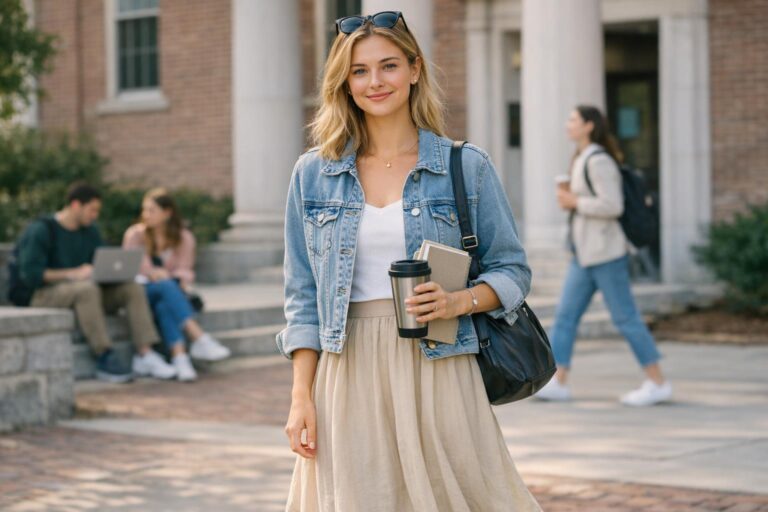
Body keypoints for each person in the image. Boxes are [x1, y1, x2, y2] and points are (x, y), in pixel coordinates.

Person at [277, 11, 541, 511]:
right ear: (345, 82)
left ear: (415, 69)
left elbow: (512, 271)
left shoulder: (464, 166)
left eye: (388, 66)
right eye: (359, 70)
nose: (374, 81)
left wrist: (458, 300)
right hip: (346, 368)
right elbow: (302, 297)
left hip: (440, 365)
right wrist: (300, 396)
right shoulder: (313, 174)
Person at [534, 105, 672, 406]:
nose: (567, 124)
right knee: (565, 318)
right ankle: (558, 381)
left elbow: (613, 206)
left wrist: (575, 201)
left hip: (606, 254)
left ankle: (657, 381)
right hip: (584, 255)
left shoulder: (599, 160)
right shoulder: (582, 158)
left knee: (625, 318)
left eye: (573, 119)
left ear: (589, 126)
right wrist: (573, 202)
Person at [16, 182, 174, 383]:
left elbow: (102, 263)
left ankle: (145, 353)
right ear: (75, 205)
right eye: (92, 210)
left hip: (87, 291)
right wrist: (73, 273)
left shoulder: (90, 231)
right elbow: (30, 275)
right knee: (87, 289)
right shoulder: (42, 230)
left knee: (131, 288)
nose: (95, 215)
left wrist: (112, 273)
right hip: (44, 295)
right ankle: (104, 355)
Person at [122, 188, 231, 382]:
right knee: (165, 286)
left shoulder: (184, 237)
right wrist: (154, 274)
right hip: (142, 293)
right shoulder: (135, 235)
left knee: (166, 303)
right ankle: (198, 337)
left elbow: (186, 270)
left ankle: (180, 358)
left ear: (167, 212)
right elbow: (133, 268)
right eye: (145, 210)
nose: (146, 215)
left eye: (152, 210)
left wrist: (174, 277)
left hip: (168, 294)